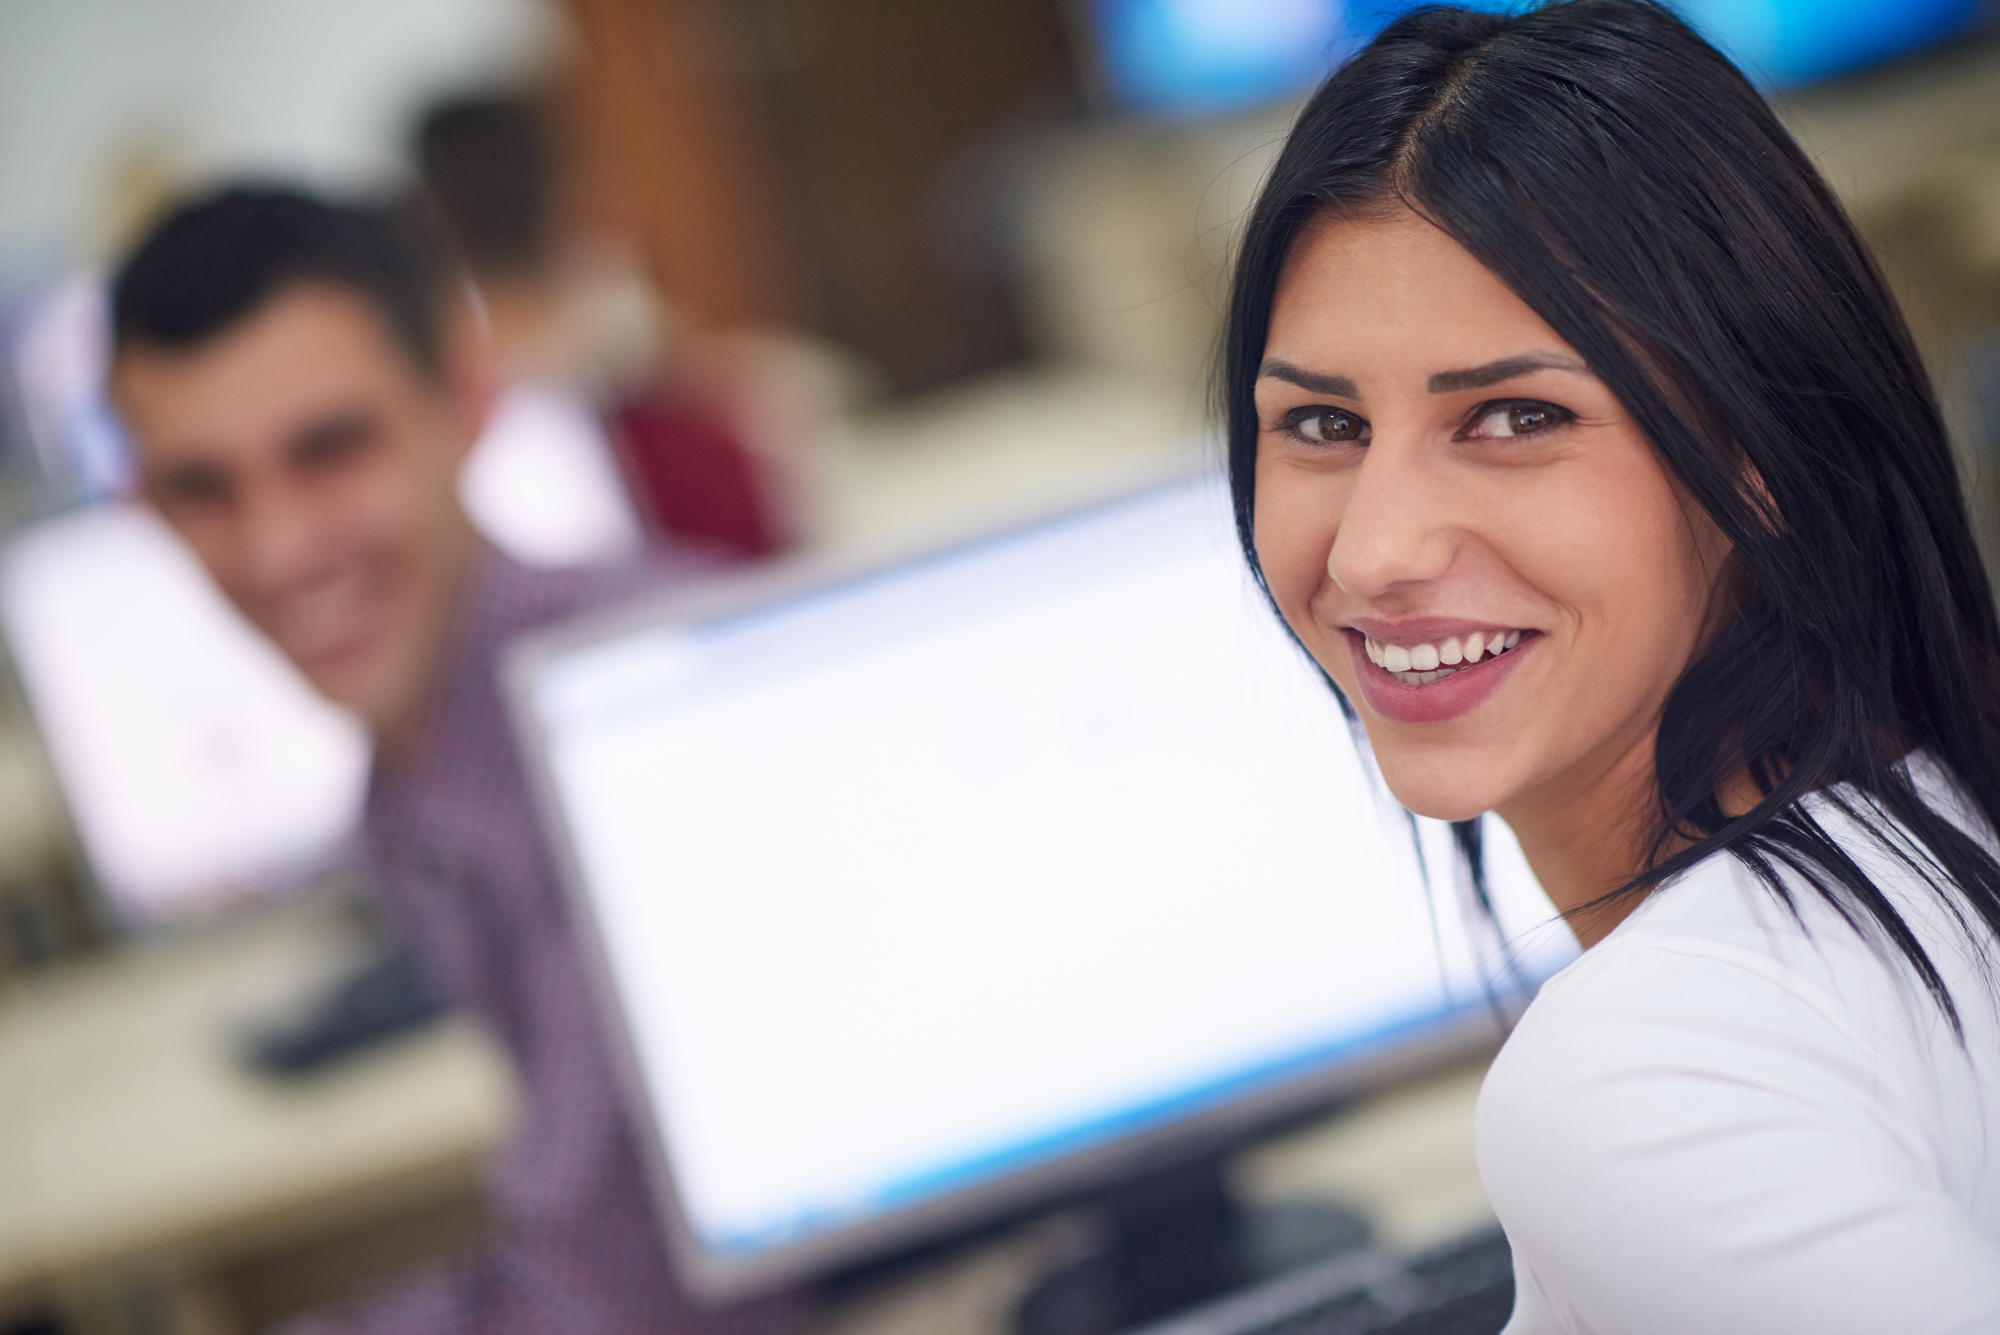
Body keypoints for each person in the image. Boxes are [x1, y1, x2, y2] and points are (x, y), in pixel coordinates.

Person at [1222, 3, 2000, 1332]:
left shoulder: (1643, 1078)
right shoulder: (1935, 818)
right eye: (1322, 422)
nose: (1376, 548)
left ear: (1761, 458)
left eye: (1518, 416)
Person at [108, 185, 801, 1334]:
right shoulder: (418, 777)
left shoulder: (624, 726)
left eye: (329, 448)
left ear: (469, 400)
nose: (279, 547)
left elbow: (616, 1303)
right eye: (204, 487)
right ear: (145, 508)